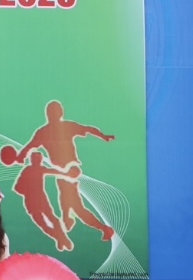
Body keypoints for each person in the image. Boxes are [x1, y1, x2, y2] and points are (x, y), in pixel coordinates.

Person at [7, 100, 115, 242]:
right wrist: (20, 156)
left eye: (54, 111)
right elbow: (30, 146)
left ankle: (102, 228)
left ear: (59, 113)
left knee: (75, 207)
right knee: (66, 203)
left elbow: (88, 129)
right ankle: (68, 220)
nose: (53, 114)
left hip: (70, 171)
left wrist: (103, 136)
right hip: (63, 173)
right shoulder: (45, 132)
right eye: (51, 112)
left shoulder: (62, 127)